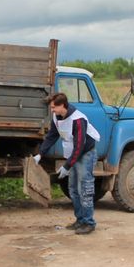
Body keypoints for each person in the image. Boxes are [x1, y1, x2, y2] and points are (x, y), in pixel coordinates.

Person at [35, 92, 101, 234]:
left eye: (54, 107)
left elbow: (79, 147)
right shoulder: (57, 117)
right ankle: (80, 220)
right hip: (73, 155)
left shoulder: (78, 120)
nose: (52, 110)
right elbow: (52, 136)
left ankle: (89, 223)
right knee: (73, 189)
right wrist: (40, 154)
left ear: (62, 105)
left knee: (84, 189)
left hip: (85, 154)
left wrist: (66, 166)